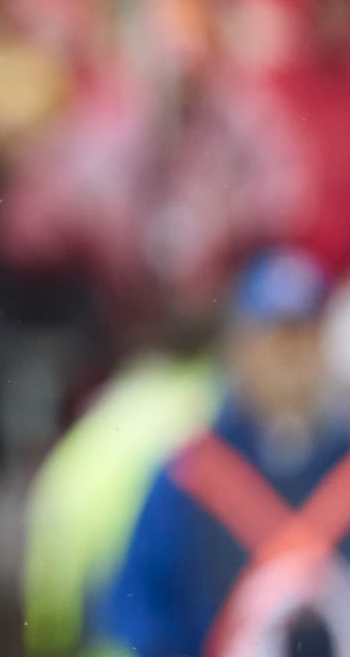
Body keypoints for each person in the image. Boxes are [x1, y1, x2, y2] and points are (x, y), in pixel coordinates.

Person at [102, 247, 350, 657]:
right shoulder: (191, 475)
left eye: (302, 339)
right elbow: (138, 608)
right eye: (273, 342)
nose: (289, 360)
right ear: (241, 349)